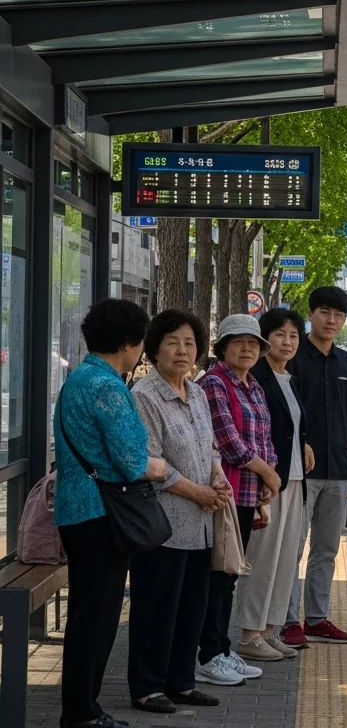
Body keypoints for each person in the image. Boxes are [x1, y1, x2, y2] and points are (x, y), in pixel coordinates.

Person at [53, 298, 167, 728]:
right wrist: (159, 466)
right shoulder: (108, 386)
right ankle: (82, 714)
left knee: (87, 615)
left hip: (76, 512)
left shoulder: (78, 379)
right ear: (129, 342)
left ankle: (81, 709)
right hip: (103, 514)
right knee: (95, 622)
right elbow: (132, 460)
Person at [128, 310, 231, 712]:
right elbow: (150, 463)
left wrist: (218, 476)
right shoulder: (145, 397)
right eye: (172, 341)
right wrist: (199, 493)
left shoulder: (198, 392)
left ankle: (181, 682)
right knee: (156, 607)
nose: (182, 350)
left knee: (192, 608)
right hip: (164, 524)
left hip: (201, 524)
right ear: (154, 349)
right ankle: (146, 687)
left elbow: (208, 448)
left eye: (190, 343)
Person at [280, 286, 347, 648]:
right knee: (292, 548)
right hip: (299, 472)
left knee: (327, 550)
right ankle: (286, 621)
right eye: (324, 312)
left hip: (337, 470)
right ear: (311, 314)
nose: (331, 320)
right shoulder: (292, 357)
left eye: (338, 315)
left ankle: (316, 618)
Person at [196, 314, 279, 686]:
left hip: (248, 494)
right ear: (223, 348)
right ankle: (208, 654)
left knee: (229, 575)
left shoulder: (254, 385)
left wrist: (267, 480)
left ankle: (222, 647)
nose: (246, 349)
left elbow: (265, 438)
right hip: (225, 494)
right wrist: (268, 473)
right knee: (217, 575)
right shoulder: (215, 383)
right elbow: (230, 443)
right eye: (238, 342)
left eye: (253, 343)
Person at [232, 308, 314, 662]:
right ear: (267, 341)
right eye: (280, 334)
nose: (288, 342)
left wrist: (304, 442)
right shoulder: (258, 378)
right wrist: (267, 475)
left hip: (294, 480)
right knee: (262, 561)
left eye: (294, 335)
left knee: (285, 561)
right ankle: (249, 635)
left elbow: (290, 425)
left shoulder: (289, 379)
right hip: (268, 482)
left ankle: (270, 631)